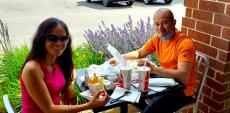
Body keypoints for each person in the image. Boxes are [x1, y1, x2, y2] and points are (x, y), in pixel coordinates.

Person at [110, 8, 196, 113]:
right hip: (166, 80)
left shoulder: (184, 43)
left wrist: (154, 69)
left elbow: (183, 75)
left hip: (182, 89)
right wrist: (120, 57)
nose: (161, 28)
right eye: (157, 24)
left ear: (174, 22)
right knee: (130, 90)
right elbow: (140, 52)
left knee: (149, 104)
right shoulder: (158, 38)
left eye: (164, 23)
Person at [20, 17, 109, 113]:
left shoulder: (58, 59)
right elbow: (49, 109)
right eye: (52, 38)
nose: (59, 43)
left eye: (63, 38)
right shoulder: (32, 69)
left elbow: (72, 70)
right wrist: (89, 105)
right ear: (42, 39)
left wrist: (69, 85)